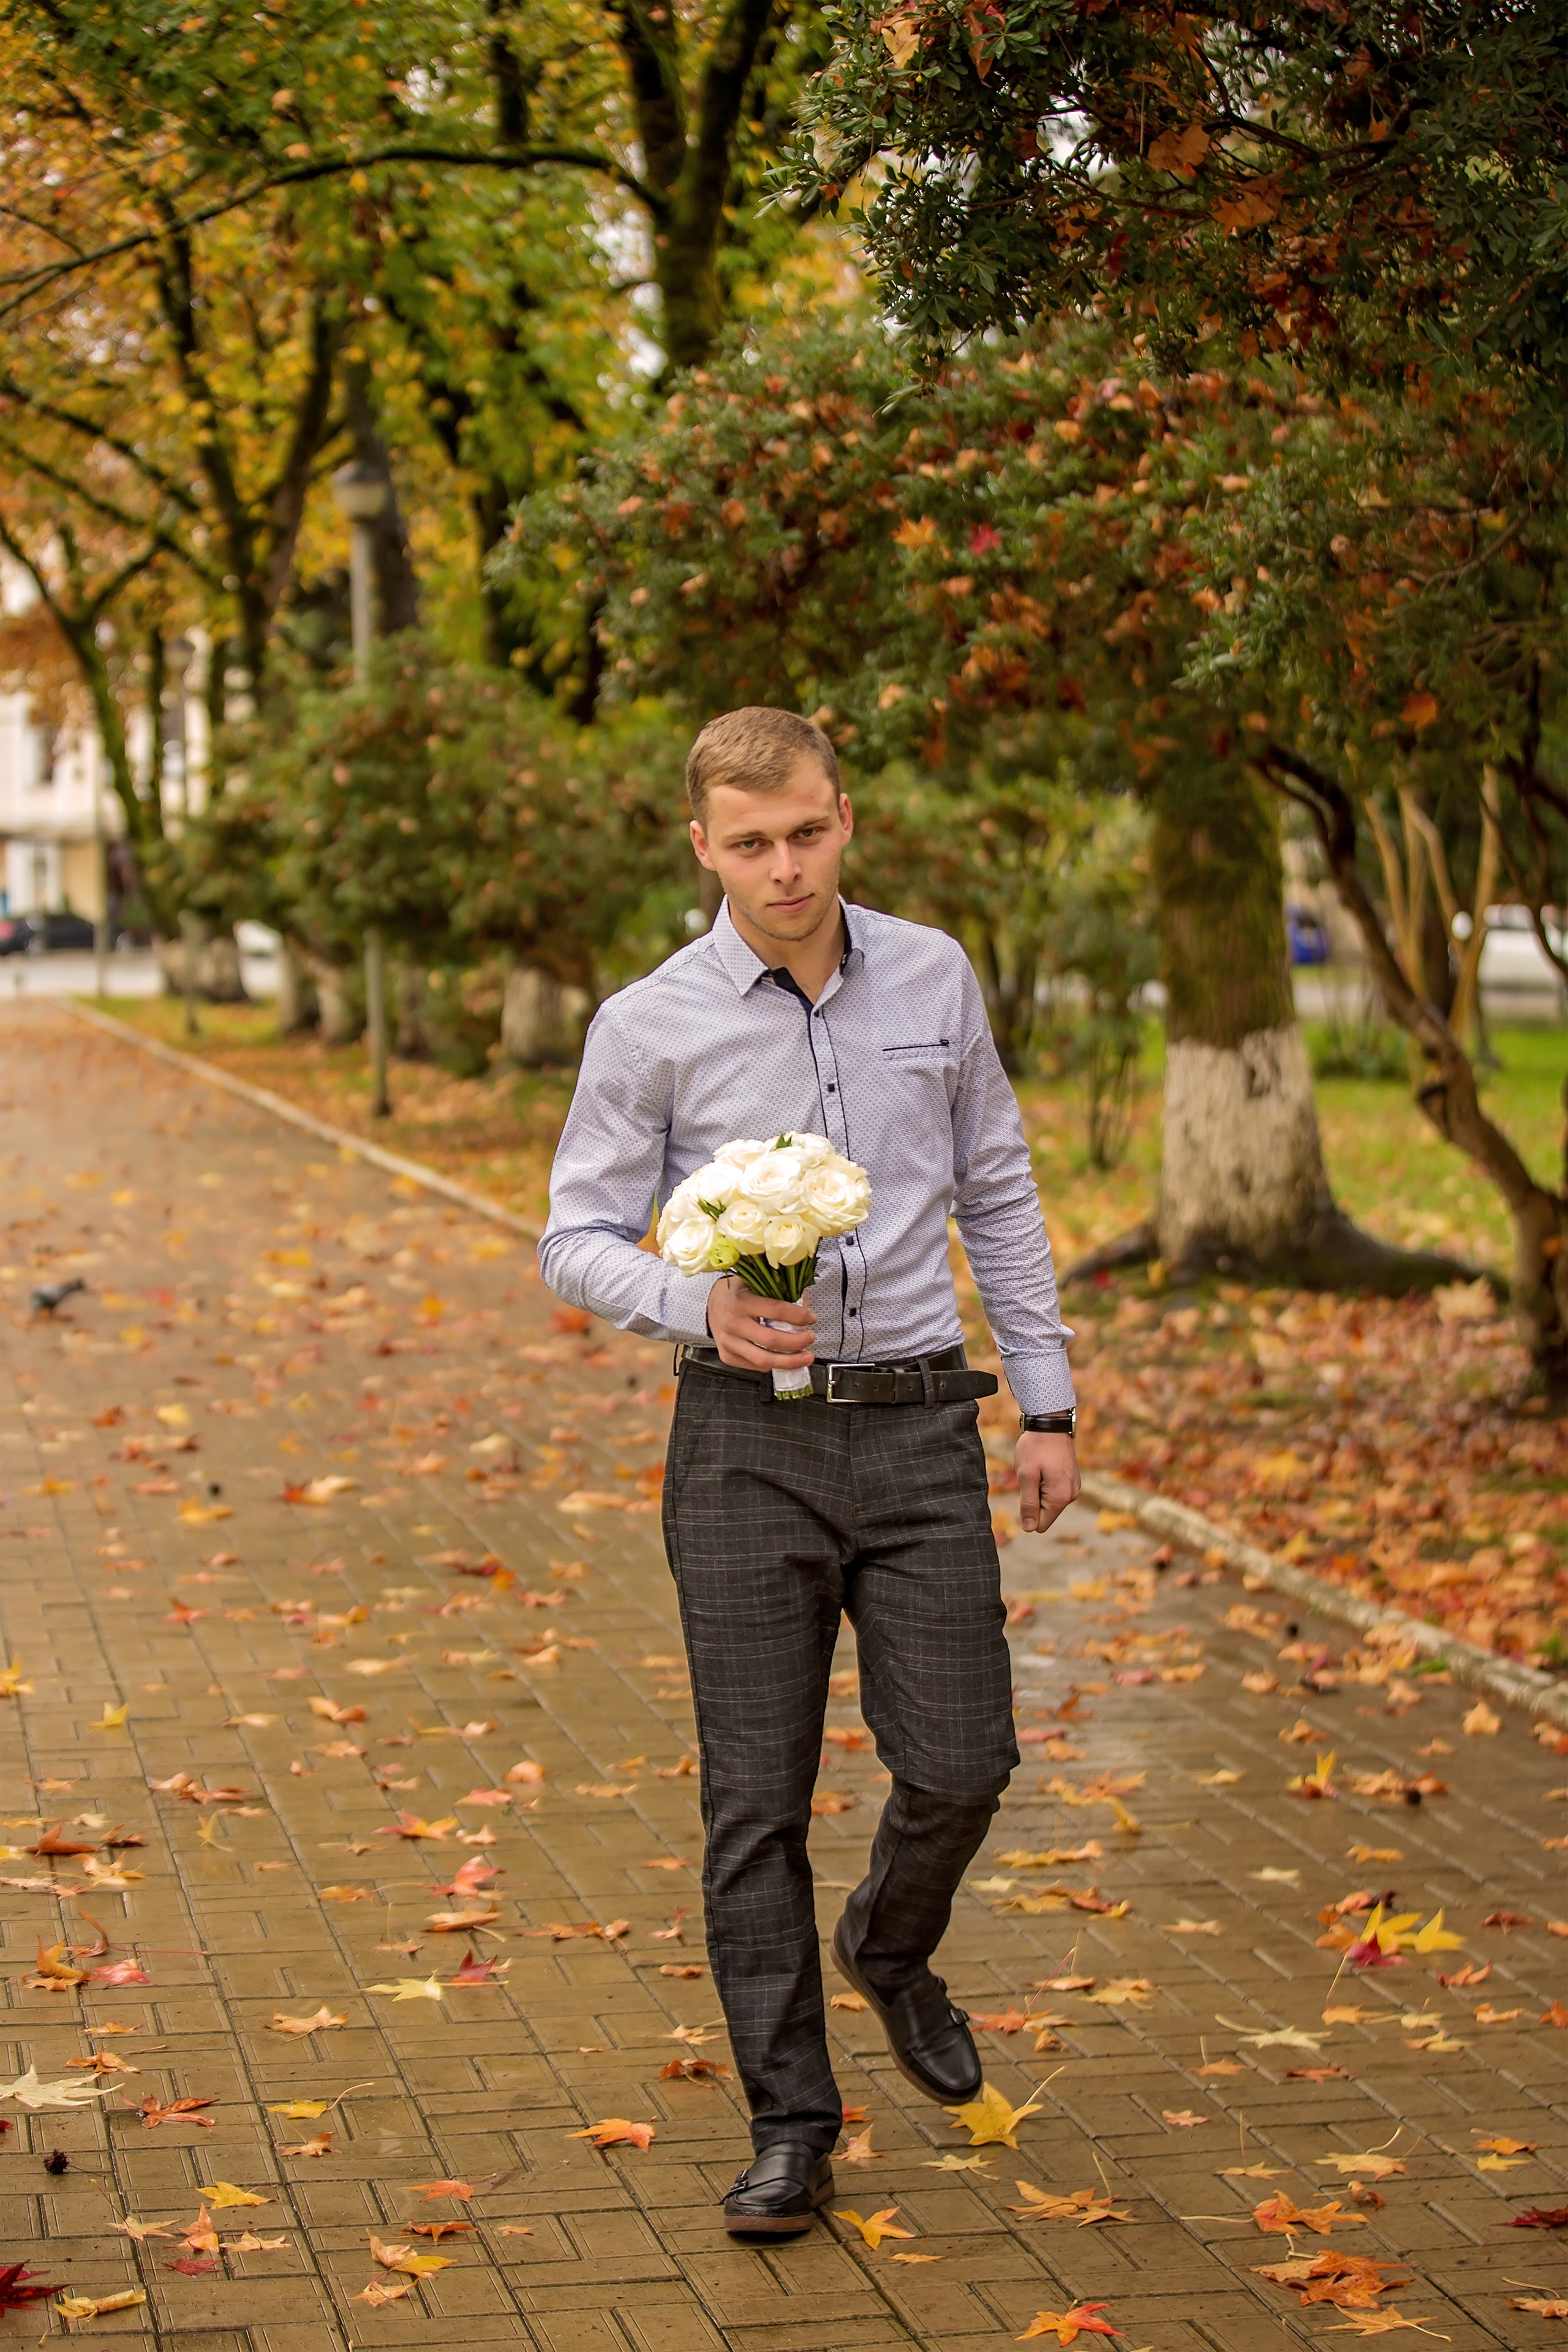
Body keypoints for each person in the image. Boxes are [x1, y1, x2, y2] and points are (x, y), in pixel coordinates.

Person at [538, 707, 1079, 2237]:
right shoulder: (648, 1023)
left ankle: (890, 1951)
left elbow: (997, 1185)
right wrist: (693, 1300)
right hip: (742, 1443)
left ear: (845, 819)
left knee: (965, 1759)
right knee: (753, 1803)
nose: (785, 868)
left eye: (809, 833)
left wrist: (1042, 1405)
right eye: (751, 843)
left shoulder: (934, 972)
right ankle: (793, 2121)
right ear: (703, 846)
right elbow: (570, 1235)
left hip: (918, 1428)